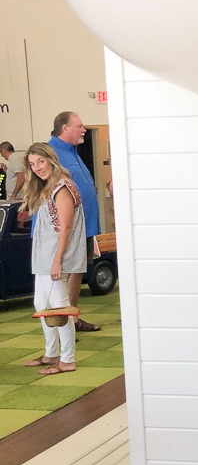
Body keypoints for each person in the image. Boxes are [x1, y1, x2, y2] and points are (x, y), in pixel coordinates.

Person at [21, 143, 87, 375]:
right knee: (43, 305)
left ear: (50, 159)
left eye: (40, 161)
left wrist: (57, 260)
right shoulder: (50, 187)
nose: (37, 167)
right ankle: (52, 353)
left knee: (60, 309)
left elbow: (66, 227)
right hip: (44, 258)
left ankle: (67, 360)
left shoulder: (62, 187)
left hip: (54, 258)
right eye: (32, 164)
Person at [47, 111, 102, 332]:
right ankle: (62, 323)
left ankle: (72, 319)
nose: (84, 129)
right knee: (63, 273)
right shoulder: (50, 154)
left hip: (85, 225)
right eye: (79, 126)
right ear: (64, 128)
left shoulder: (73, 152)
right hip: (66, 228)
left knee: (77, 270)